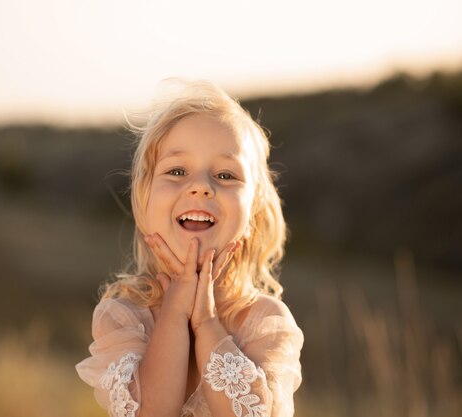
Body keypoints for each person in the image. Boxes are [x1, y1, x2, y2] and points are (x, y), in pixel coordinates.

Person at [76, 79, 303, 417]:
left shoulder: (264, 322)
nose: (200, 186)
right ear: (144, 200)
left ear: (253, 210)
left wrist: (206, 321)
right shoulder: (124, 318)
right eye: (177, 170)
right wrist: (175, 310)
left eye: (226, 175)